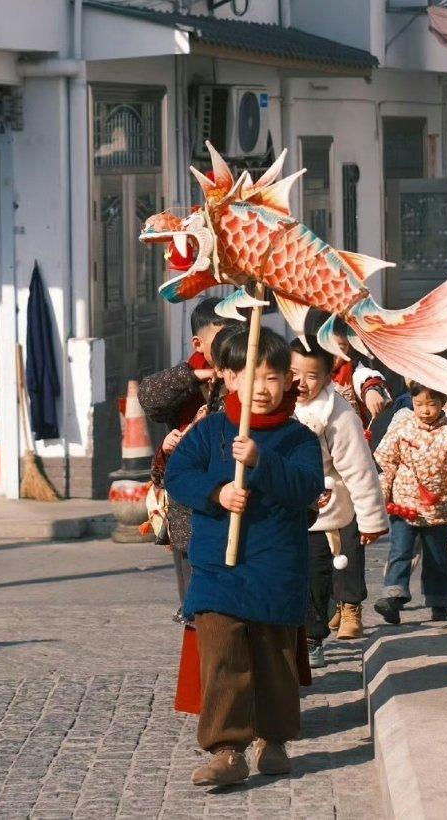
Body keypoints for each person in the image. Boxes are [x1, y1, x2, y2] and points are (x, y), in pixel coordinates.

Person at [165, 326, 325, 789]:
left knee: (275, 661)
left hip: (276, 567)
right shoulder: (210, 431)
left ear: (288, 382)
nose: (262, 388)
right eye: (250, 376)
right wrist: (217, 492)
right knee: (222, 656)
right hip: (218, 568)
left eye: (274, 378)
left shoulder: (298, 439)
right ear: (229, 378)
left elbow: (306, 489)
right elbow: (178, 476)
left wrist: (260, 462)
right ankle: (226, 750)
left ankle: (273, 740)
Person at [290, 338, 389, 667]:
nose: (300, 383)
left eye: (311, 376)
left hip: (325, 513)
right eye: (293, 373)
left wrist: (371, 520)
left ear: (328, 376)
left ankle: (312, 637)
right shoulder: (273, 402)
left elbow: (360, 469)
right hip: (281, 512)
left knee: (317, 575)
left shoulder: (339, 413)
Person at [139, 299, 235, 614]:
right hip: (187, 511)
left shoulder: (245, 375)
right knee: (195, 604)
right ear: (198, 343)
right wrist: (194, 376)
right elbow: (149, 397)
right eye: (221, 340)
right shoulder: (189, 380)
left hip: (233, 503)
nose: (229, 346)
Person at [373, 382, 447, 625]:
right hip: (404, 504)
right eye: (419, 404)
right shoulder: (402, 427)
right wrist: (382, 494)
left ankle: (439, 602)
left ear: (443, 402)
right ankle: (393, 597)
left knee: (437, 557)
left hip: (438, 507)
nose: (425, 410)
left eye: (431, 404)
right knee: (400, 551)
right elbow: (386, 463)